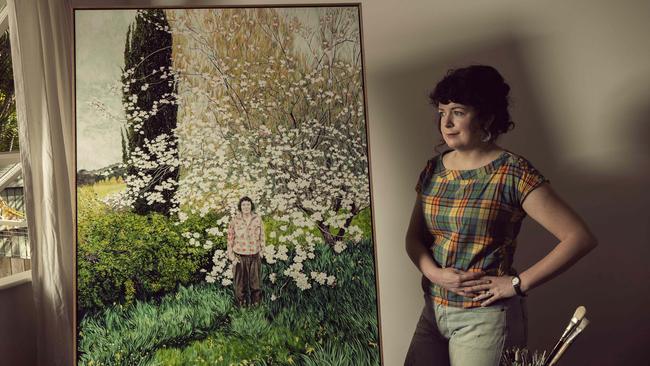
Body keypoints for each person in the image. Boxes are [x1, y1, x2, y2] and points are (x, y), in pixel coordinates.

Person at [404, 65, 597, 366]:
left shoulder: (513, 172)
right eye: (442, 111)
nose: (447, 122)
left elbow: (579, 238)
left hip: (485, 320)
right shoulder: (434, 169)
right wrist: (435, 274)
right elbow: (414, 238)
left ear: (487, 117)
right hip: (432, 312)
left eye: (458, 111)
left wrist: (517, 283)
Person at [227, 196, 265, 307]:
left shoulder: (257, 219)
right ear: (240, 207)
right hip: (239, 255)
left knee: (255, 283)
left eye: (248, 204)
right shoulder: (235, 220)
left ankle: (256, 305)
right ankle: (241, 307)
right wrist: (231, 256)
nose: (246, 207)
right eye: (243, 205)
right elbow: (230, 238)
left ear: (251, 206)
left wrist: (262, 251)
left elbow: (262, 235)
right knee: (240, 284)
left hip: (254, 254)